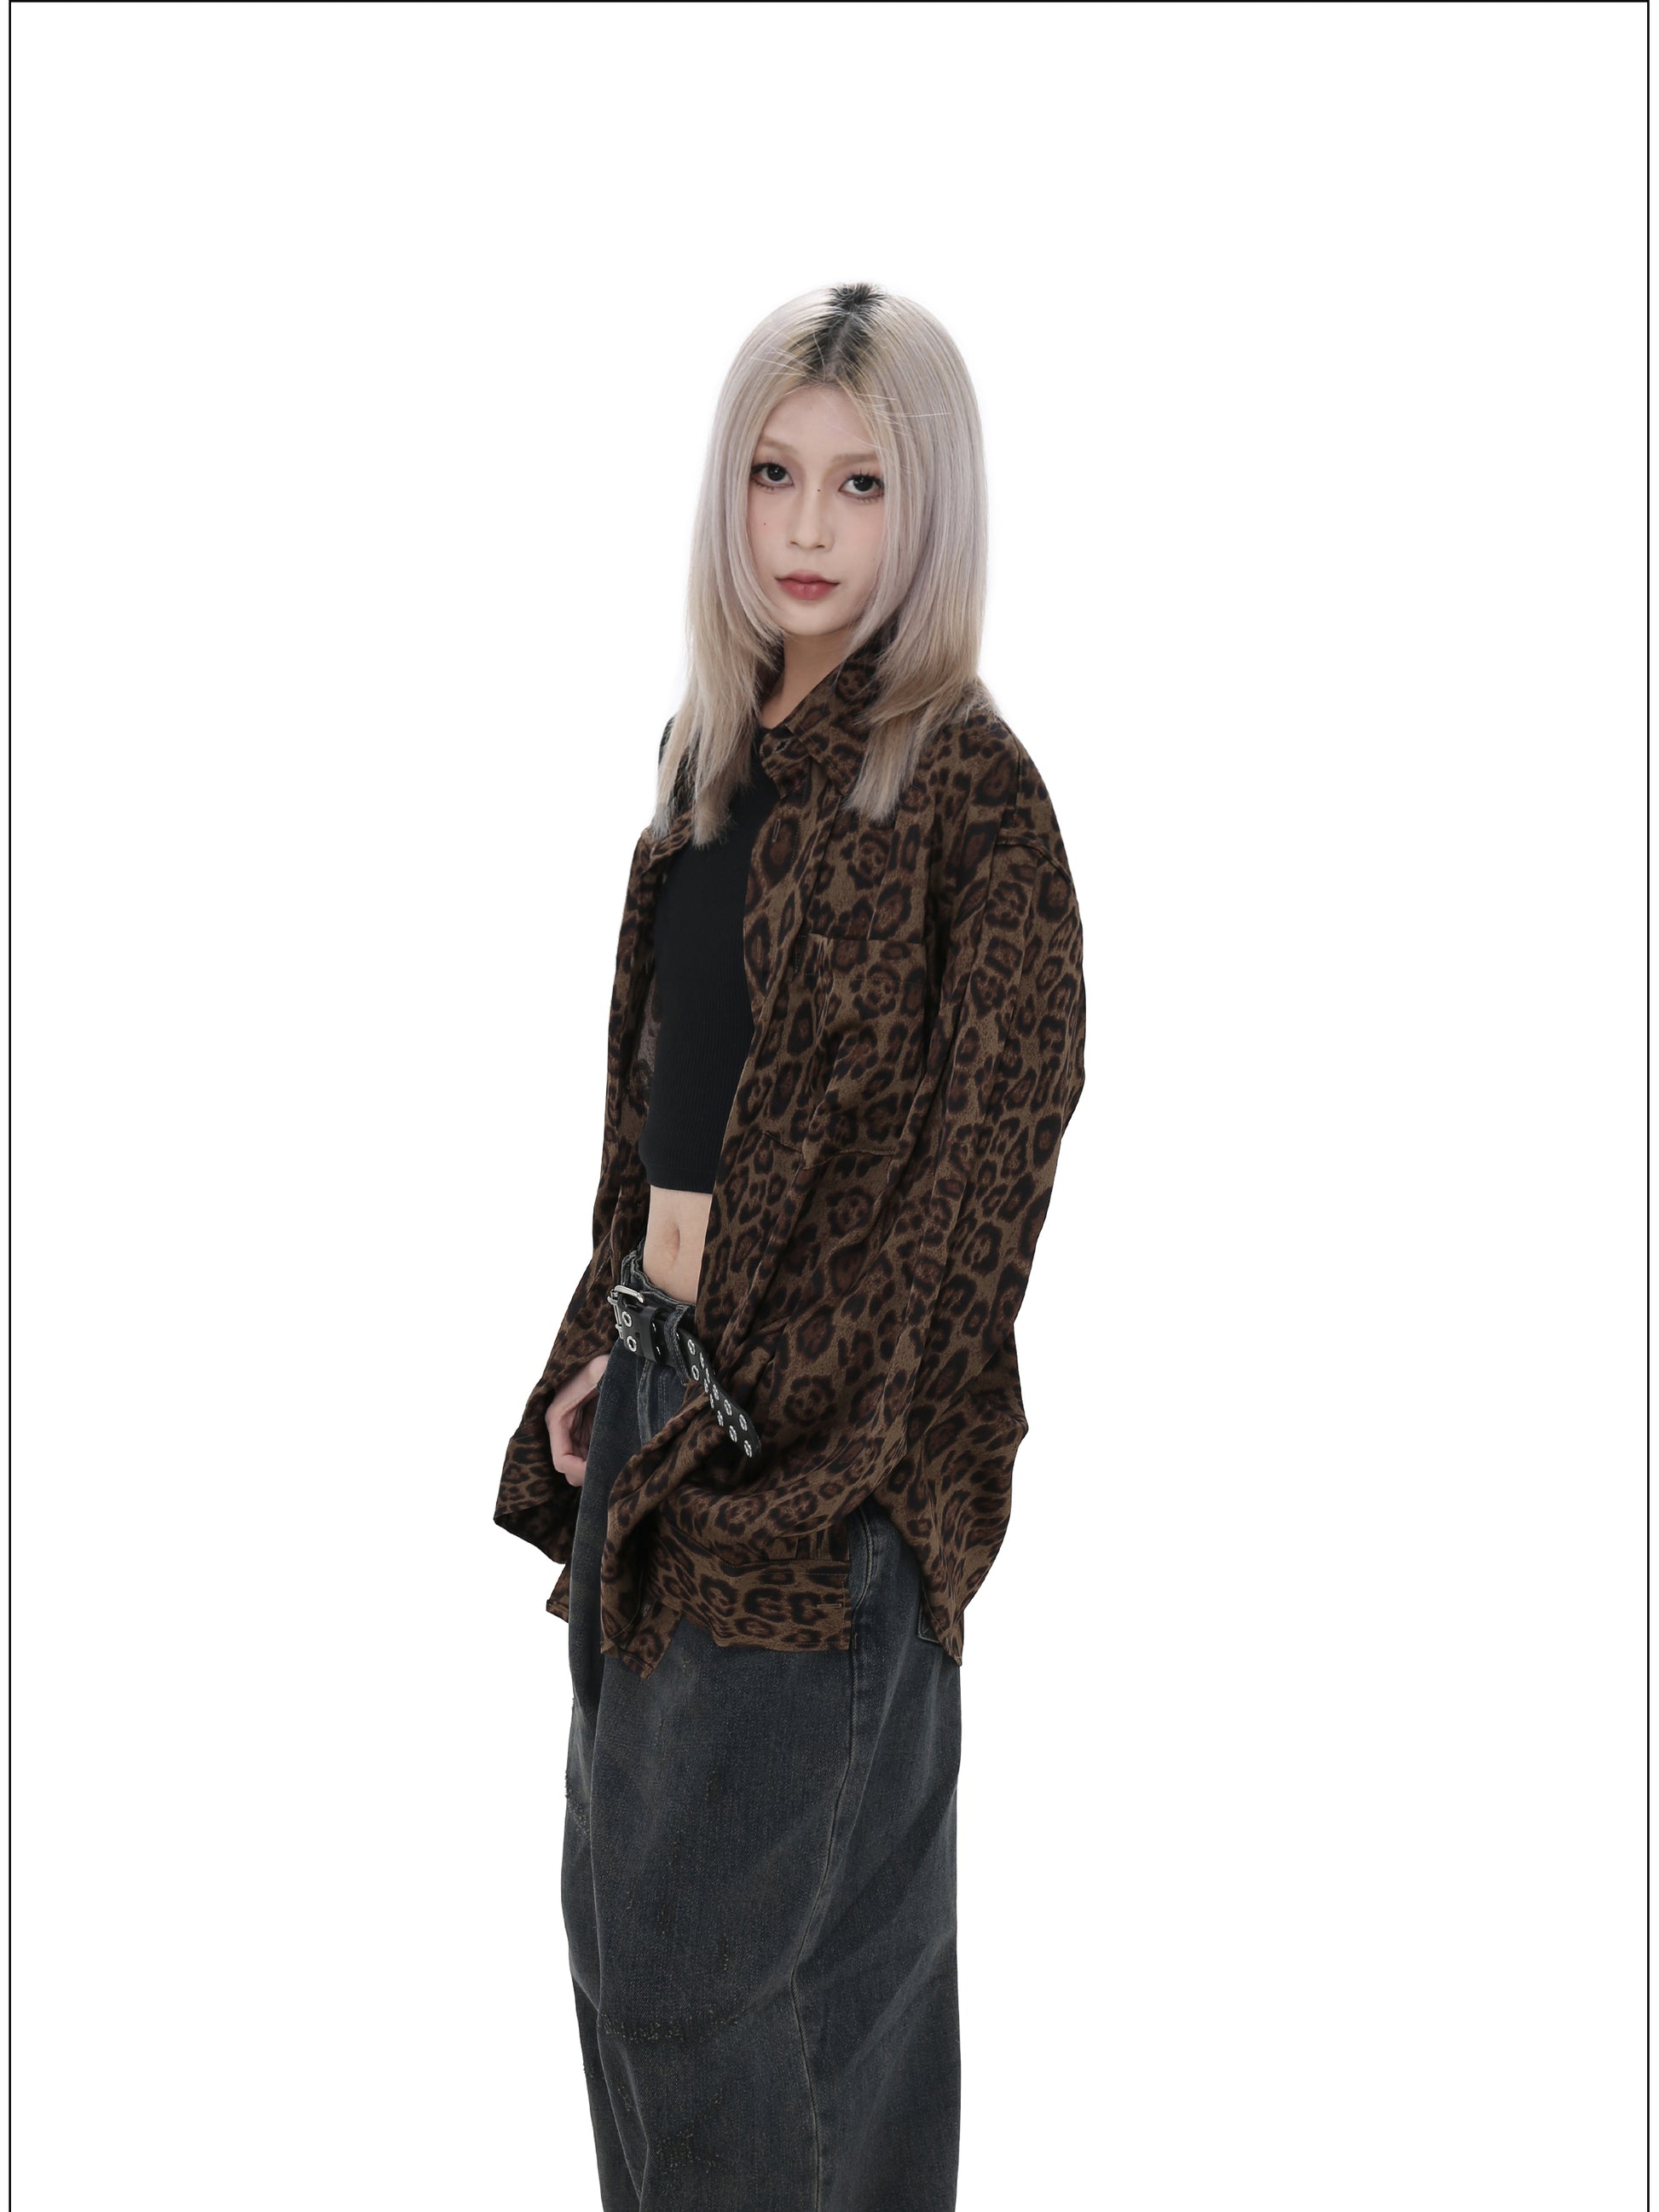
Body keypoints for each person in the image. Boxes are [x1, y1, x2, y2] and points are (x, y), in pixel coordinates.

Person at [494, 280, 1087, 2212]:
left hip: (816, 1477)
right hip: (657, 1429)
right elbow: (657, 1126)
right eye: (772, 474)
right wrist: (609, 1354)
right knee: (636, 1977)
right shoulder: (708, 766)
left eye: (860, 483)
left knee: (742, 1999)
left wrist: (819, 1465)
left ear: (933, 507)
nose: (807, 528)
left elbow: (978, 1191)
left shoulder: (973, 800)